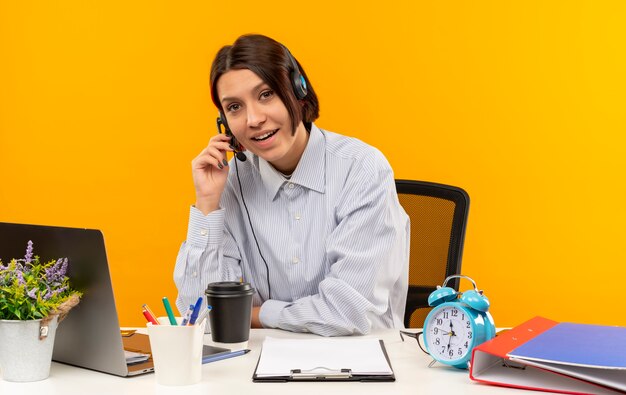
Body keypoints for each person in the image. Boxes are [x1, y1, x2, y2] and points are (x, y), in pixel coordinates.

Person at [174, 34, 409, 336]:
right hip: (259, 367)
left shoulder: (361, 168)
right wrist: (207, 203)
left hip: (359, 364)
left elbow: (348, 311)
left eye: (266, 94)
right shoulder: (229, 183)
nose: (254, 119)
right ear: (224, 122)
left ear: (298, 90)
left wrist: (255, 314)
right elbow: (200, 312)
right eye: (234, 107)